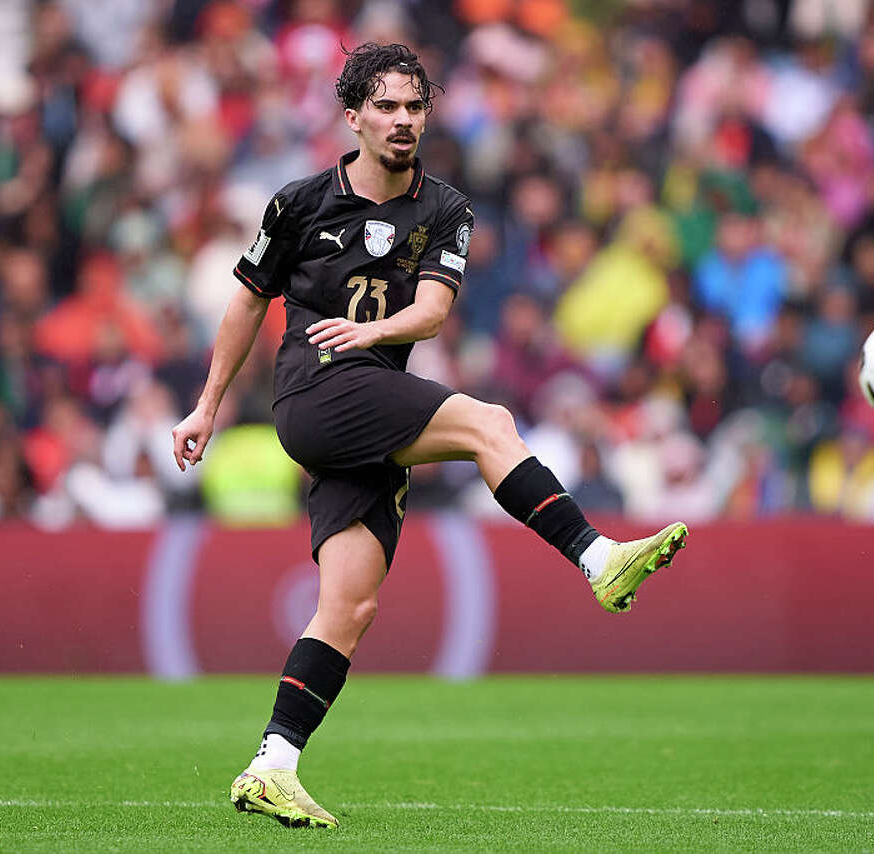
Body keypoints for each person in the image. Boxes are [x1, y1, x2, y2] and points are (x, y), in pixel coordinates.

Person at [170, 43, 688, 829]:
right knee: (490, 424)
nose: (403, 120)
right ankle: (596, 557)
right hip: (314, 391)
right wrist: (208, 404)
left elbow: (436, 311)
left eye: (414, 106)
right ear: (353, 117)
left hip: (366, 390)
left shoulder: (445, 208)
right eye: (386, 106)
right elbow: (246, 303)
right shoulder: (299, 204)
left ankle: (272, 763)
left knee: (351, 604)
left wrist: (372, 331)